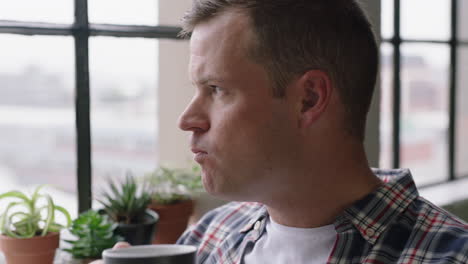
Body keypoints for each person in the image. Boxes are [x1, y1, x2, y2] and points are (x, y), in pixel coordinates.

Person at [93, 0, 468, 263]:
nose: (187, 119)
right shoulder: (210, 236)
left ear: (308, 98)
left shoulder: (450, 255)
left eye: (217, 90)